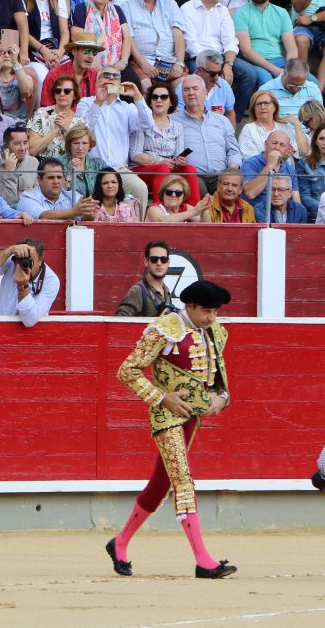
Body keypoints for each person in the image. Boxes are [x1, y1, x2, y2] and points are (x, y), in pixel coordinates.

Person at [108, 279, 236, 580]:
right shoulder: (165, 329)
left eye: (215, 311)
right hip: (166, 416)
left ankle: (120, 542)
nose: (212, 317)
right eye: (206, 311)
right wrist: (161, 397)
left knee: (160, 483)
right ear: (189, 306)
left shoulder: (214, 331)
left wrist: (222, 398)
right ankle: (204, 561)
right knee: (182, 479)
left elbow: (218, 377)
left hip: (192, 416)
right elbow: (127, 370)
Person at [175, 0, 256, 122]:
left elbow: (230, 40)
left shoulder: (222, 10)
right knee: (203, 77)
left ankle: (234, 119)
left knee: (250, 74)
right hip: (197, 59)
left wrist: (228, 64)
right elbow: (191, 44)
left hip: (222, 57)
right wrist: (214, 66)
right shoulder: (186, 9)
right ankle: (205, 119)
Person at [75, 67, 152, 211]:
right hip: (92, 169)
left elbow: (147, 124)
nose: (111, 78)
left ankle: (139, 225)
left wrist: (138, 97)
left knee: (140, 188)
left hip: (119, 169)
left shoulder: (127, 107)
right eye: (106, 75)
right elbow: (81, 130)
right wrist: (98, 102)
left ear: (120, 82)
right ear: (97, 81)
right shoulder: (86, 102)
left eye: (115, 76)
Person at [129, 80, 201, 201]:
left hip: (168, 169)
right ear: (150, 102)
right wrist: (160, 161)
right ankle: (158, 207)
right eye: (155, 97)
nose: (159, 100)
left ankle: (194, 209)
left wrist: (179, 160)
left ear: (171, 102)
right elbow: (135, 155)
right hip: (143, 170)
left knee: (190, 169)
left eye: (163, 97)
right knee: (163, 168)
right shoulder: (142, 122)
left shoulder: (177, 126)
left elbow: (178, 155)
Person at [172, 75, 241, 194]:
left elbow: (234, 151)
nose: (191, 93)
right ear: (182, 95)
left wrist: (231, 169)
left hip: (220, 175)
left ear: (205, 93)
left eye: (195, 88)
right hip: (192, 175)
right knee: (198, 188)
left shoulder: (222, 120)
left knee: (232, 187)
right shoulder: (172, 121)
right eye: (186, 89)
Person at [0, 237, 61, 327]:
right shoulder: (13, 261)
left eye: (29, 260)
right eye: (21, 259)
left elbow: (29, 320)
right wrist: (10, 250)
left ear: (40, 260)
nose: (24, 263)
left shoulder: (50, 281)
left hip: (28, 333)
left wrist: (23, 287)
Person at [233, 0, 297, 90]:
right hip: (255, 62)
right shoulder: (240, 13)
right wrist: (274, 69)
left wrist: (291, 68)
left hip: (279, 60)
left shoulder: (282, 13)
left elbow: (292, 50)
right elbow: (246, 51)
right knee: (267, 82)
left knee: (311, 81)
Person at [121, 0, 185, 89]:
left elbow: (178, 34)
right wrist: (143, 64)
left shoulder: (170, 4)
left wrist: (179, 63)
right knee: (146, 86)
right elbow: (129, 38)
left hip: (169, 62)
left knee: (185, 86)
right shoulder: (126, 6)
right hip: (142, 61)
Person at [70, 0, 136, 85]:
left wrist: (123, 61)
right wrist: (93, 61)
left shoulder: (117, 10)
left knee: (132, 82)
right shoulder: (80, 9)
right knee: (96, 82)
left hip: (117, 62)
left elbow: (127, 38)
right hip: (89, 61)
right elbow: (77, 37)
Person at [21, 0, 70, 81]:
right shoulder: (22, 0)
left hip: (56, 48)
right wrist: (44, 51)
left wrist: (60, 52)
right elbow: (23, 32)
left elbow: (64, 31)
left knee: (68, 76)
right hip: (34, 50)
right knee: (42, 77)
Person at [241, 129, 299, 221]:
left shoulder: (290, 169)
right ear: (266, 144)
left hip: (281, 216)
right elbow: (250, 193)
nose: (277, 147)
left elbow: (296, 201)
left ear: (287, 150)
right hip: (254, 216)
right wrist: (269, 166)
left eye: (282, 145)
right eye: (274, 143)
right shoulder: (250, 163)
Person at [28, 73, 87, 159]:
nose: (62, 94)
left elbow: (82, 153)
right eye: (58, 91)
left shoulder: (80, 122)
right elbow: (32, 150)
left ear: (74, 95)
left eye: (67, 91)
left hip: (69, 166)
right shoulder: (40, 114)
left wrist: (66, 128)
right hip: (43, 164)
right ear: (54, 94)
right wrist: (55, 129)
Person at [17, 156, 99, 218]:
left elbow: (86, 219)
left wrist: (89, 211)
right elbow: (44, 216)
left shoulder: (72, 196)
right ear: (39, 179)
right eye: (51, 177)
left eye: (59, 177)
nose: (56, 181)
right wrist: (74, 212)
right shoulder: (27, 197)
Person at [238, 89, 308, 160]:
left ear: (274, 107)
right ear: (254, 109)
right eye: (258, 104)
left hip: (287, 167)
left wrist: (297, 125)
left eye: (266, 103)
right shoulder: (249, 129)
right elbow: (250, 159)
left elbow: (303, 152)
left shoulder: (284, 127)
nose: (263, 107)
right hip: (263, 167)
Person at [39, 28, 102, 105]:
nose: (91, 56)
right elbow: (46, 108)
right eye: (86, 51)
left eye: (94, 53)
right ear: (74, 51)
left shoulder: (96, 76)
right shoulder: (55, 75)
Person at [115, 240, 173, 316]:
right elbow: (120, 320)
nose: (159, 263)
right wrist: (158, 321)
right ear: (146, 261)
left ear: (168, 262)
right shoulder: (137, 291)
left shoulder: (166, 290)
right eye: (154, 259)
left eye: (163, 259)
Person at [290, 0, 325, 88]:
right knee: (301, 40)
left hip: (320, 22)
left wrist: (312, 18)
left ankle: (317, 93)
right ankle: (301, 86)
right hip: (302, 23)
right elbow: (298, 7)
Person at [0, 124, 39, 205]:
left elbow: (39, 196)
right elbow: (7, 203)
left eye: (25, 143)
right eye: (17, 143)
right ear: (6, 146)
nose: (23, 148)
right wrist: (10, 172)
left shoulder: (33, 162)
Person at [259, 58, 323, 120]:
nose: (295, 89)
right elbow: (262, 121)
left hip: (306, 127)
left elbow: (318, 119)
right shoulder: (266, 90)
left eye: (300, 86)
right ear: (284, 73)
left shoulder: (313, 88)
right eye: (291, 84)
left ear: (306, 77)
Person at [0, 42, 35, 120]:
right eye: (3, 53)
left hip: (18, 121)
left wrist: (15, 62)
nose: (6, 55)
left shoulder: (24, 77)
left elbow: (27, 92)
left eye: (10, 53)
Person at [60, 125, 108, 195]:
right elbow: (57, 193)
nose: (80, 148)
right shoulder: (59, 164)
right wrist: (70, 174)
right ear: (69, 145)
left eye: (85, 143)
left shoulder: (99, 164)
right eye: (76, 143)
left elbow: (111, 186)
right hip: (70, 202)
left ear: (90, 146)